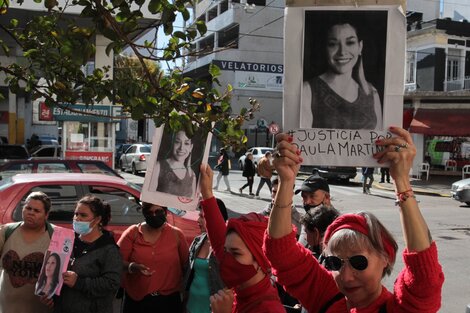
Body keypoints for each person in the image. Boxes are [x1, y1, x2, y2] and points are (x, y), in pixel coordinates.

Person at [264, 127, 444, 312]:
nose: (346, 277)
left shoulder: (397, 309)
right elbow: (281, 252)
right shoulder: (329, 297)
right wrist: (286, 181)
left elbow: (424, 278)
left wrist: (402, 182)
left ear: (385, 258)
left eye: (359, 262)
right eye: (334, 263)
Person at [199, 164, 285, 313]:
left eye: (236, 253)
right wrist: (206, 192)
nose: (227, 260)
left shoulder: (269, 309)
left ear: (261, 258)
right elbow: (219, 238)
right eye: (226, 252)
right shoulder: (240, 292)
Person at [302, 19, 382, 129]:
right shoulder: (308, 90)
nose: (342, 52)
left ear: (360, 47)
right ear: (325, 48)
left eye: (350, 42)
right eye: (333, 44)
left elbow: (381, 141)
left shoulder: (372, 93)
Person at [52, 195, 122, 313]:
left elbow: (111, 283)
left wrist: (79, 283)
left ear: (97, 219)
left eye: (83, 215)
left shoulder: (109, 249)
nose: (77, 218)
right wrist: (50, 294)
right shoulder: (67, 241)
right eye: (76, 214)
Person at [118, 202, 189, 313]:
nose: (154, 215)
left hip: (168, 301)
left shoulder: (177, 234)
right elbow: (116, 262)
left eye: (158, 211)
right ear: (144, 214)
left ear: (165, 212)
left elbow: (186, 266)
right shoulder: (133, 233)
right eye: (150, 212)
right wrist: (133, 267)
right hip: (137, 301)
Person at [0, 191, 54, 313]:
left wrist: (54, 296)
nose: (31, 212)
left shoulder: (55, 236)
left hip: (40, 308)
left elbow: (61, 273)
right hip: (7, 307)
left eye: (36, 211)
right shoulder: (6, 231)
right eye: (28, 208)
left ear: (46, 215)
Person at [183, 198, 228, 313]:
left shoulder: (229, 246)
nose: (198, 220)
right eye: (199, 215)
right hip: (191, 304)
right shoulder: (198, 241)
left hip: (213, 308)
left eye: (202, 217)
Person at [154, 130, 197, 198]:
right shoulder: (158, 167)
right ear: (172, 143)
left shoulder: (192, 175)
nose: (181, 148)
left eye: (186, 143)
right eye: (177, 142)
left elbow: (191, 204)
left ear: (191, 147)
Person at [295, 173, 333, 247]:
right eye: (304, 197)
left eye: (312, 196)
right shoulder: (307, 219)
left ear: (327, 197)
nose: (307, 201)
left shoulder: (337, 224)